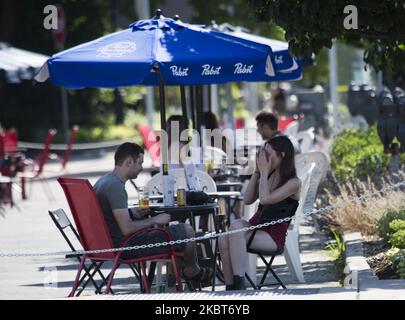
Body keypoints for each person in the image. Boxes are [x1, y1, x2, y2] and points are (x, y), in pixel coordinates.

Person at [93, 142, 211, 289]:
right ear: (129, 162)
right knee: (186, 231)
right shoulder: (115, 187)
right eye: (140, 163)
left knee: (177, 235)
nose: (142, 168)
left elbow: (110, 217)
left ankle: (173, 282)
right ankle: (191, 270)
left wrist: (131, 212)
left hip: (107, 244)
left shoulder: (104, 181)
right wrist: (155, 219)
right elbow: (127, 228)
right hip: (125, 247)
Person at [218, 136, 301, 290]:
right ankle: (231, 287)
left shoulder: (293, 183)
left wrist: (263, 172)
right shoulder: (267, 175)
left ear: (282, 156)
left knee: (236, 230)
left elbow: (265, 199)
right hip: (255, 228)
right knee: (223, 237)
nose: (265, 159)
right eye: (264, 155)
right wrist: (257, 172)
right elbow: (248, 199)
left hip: (273, 237)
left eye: (268, 155)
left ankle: (239, 284)